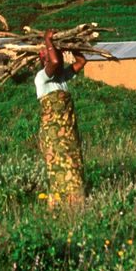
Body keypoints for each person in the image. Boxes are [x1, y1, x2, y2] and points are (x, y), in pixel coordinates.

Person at [35, 29, 87, 208]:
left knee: (74, 166)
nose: (57, 60)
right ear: (44, 60)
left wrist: (72, 46)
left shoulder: (62, 78)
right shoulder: (41, 78)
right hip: (54, 137)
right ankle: (59, 206)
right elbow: (55, 62)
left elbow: (82, 62)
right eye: (50, 56)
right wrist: (47, 40)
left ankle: (76, 206)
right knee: (58, 169)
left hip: (69, 136)